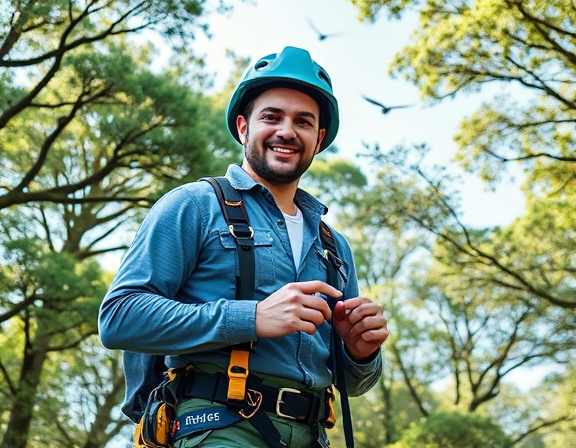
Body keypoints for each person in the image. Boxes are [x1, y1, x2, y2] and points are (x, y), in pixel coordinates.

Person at [98, 46, 389, 448]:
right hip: (218, 427)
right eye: (271, 117)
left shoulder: (334, 247)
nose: (287, 130)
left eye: (303, 121)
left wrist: (360, 353)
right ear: (242, 127)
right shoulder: (195, 205)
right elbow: (118, 318)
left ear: (318, 139)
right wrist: (252, 317)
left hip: (313, 436)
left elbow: (353, 384)